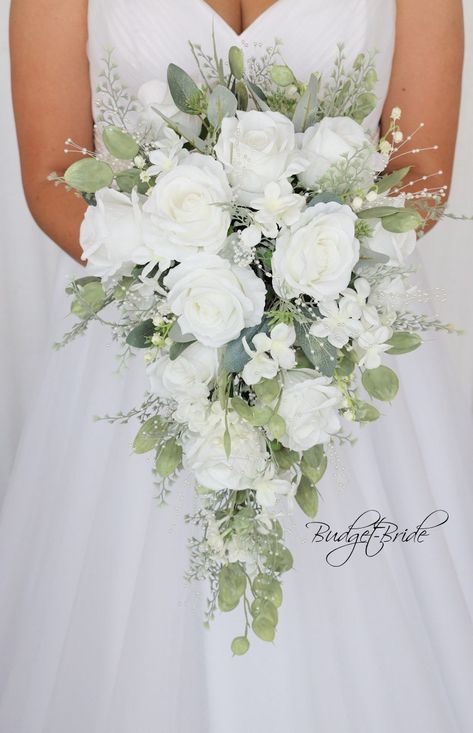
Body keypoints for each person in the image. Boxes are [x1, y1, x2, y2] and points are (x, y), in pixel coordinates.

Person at [2, 1, 472, 731]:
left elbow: (419, 178)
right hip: (145, 347)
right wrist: (196, 282)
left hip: (338, 342)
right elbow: (52, 177)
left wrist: (301, 289)